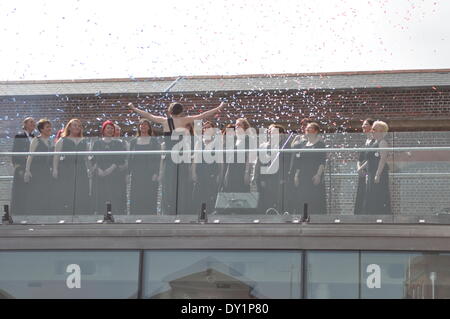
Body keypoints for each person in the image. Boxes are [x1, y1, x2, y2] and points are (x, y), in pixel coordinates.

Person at [128, 101, 225, 215]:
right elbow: (203, 115)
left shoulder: (165, 121)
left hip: (170, 158)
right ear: (181, 111)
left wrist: (134, 108)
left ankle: (169, 211)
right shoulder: (184, 120)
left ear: (169, 111)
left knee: (169, 186)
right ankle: (182, 211)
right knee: (183, 185)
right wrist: (219, 107)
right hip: (182, 158)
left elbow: (148, 116)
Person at [52, 119, 91, 215]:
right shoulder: (62, 140)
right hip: (66, 169)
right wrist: (55, 169)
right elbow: (56, 156)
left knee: (81, 191)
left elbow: (87, 157)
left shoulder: (84, 141)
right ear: (69, 127)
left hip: (81, 170)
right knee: (66, 192)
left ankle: (81, 213)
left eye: (79, 126)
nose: (77, 127)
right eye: (75, 125)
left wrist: (90, 169)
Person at [90, 121, 127, 215]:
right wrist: (98, 170)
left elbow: (120, 159)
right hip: (100, 175)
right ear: (103, 129)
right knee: (101, 196)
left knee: (114, 196)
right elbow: (93, 158)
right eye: (108, 128)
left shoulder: (118, 144)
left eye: (112, 128)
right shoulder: (97, 143)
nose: (110, 130)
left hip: (114, 175)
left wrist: (111, 169)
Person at [292, 122, 327, 215]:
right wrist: (296, 176)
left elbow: (322, 161)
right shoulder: (303, 144)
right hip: (303, 175)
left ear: (316, 131)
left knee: (314, 197)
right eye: (306, 128)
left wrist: (318, 175)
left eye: (310, 128)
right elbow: (299, 162)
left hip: (314, 174)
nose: (307, 129)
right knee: (302, 197)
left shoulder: (320, 144)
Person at [254, 124, 289, 214]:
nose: (270, 134)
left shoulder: (284, 146)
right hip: (265, 177)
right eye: (269, 132)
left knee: (278, 199)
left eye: (273, 132)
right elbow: (260, 163)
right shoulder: (263, 146)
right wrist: (259, 177)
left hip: (279, 178)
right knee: (265, 199)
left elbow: (286, 163)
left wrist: (283, 178)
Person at [128, 119, 160, 214]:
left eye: (146, 124)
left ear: (149, 127)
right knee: (136, 195)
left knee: (149, 195)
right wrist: (128, 173)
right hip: (136, 173)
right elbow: (130, 158)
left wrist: (156, 173)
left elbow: (157, 158)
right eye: (141, 124)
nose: (143, 126)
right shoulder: (133, 141)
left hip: (150, 173)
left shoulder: (154, 141)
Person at [24, 119, 54, 215]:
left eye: (50, 127)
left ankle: (45, 212)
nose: (50, 129)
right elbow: (30, 156)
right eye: (47, 127)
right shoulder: (36, 140)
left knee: (47, 191)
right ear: (41, 129)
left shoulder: (50, 141)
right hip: (37, 170)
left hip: (46, 170)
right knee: (37, 191)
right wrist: (27, 171)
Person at [192, 121, 222, 214]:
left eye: (209, 127)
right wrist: (193, 172)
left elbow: (220, 162)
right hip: (200, 173)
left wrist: (220, 175)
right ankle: (200, 214)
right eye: (205, 128)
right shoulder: (199, 143)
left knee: (210, 195)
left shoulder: (217, 143)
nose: (206, 129)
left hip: (212, 173)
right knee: (198, 195)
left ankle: (210, 214)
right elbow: (195, 159)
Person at [363, 120, 392, 214]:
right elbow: (369, 159)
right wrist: (367, 173)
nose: (372, 131)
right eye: (372, 129)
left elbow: (383, 159)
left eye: (374, 129)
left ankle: (381, 216)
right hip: (371, 173)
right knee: (371, 195)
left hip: (379, 173)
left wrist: (378, 174)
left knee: (378, 194)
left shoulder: (382, 142)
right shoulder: (373, 143)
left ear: (381, 130)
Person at [10, 117, 35, 215]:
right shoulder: (19, 136)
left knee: (30, 192)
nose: (34, 124)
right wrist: (20, 168)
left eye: (34, 122)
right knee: (20, 192)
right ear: (25, 124)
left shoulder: (35, 137)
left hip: (32, 169)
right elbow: (15, 153)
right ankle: (17, 213)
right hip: (22, 168)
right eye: (31, 122)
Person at [222, 118, 254, 193]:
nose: (237, 127)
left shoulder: (248, 139)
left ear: (245, 127)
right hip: (232, 170)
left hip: (241, 170)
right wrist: (227, 172)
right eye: (236, 125)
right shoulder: (235, 139)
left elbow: (250, 157)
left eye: (239, 125)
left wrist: (246, 172)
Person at [353, 118, 376, 215]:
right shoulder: (366, 141)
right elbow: (360, 158)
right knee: (361, 192)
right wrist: (358, 168)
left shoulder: (375, 141)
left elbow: (372, 158)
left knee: (369, 192)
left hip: (370, 170)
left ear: (371, 127)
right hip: (362, 172)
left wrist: (361, 168)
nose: (363, 126)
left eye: (365, 124)